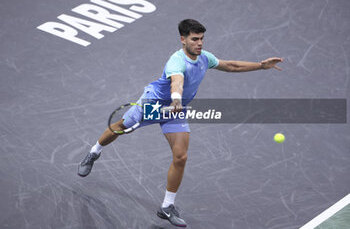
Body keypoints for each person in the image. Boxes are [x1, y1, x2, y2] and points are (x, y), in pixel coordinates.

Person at [78, 19, 283, 227]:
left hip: (175, 112)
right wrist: (176, 100)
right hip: (153, 104)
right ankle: (94, 152)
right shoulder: (176, 62)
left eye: (202, 39)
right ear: (183, 40)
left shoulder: (205, 58)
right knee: (120, 128)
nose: (200, 43)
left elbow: (231, 66)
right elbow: (177, 81)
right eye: (195, 39)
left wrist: (261, 66)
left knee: (181, 156)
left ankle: (166, 207)